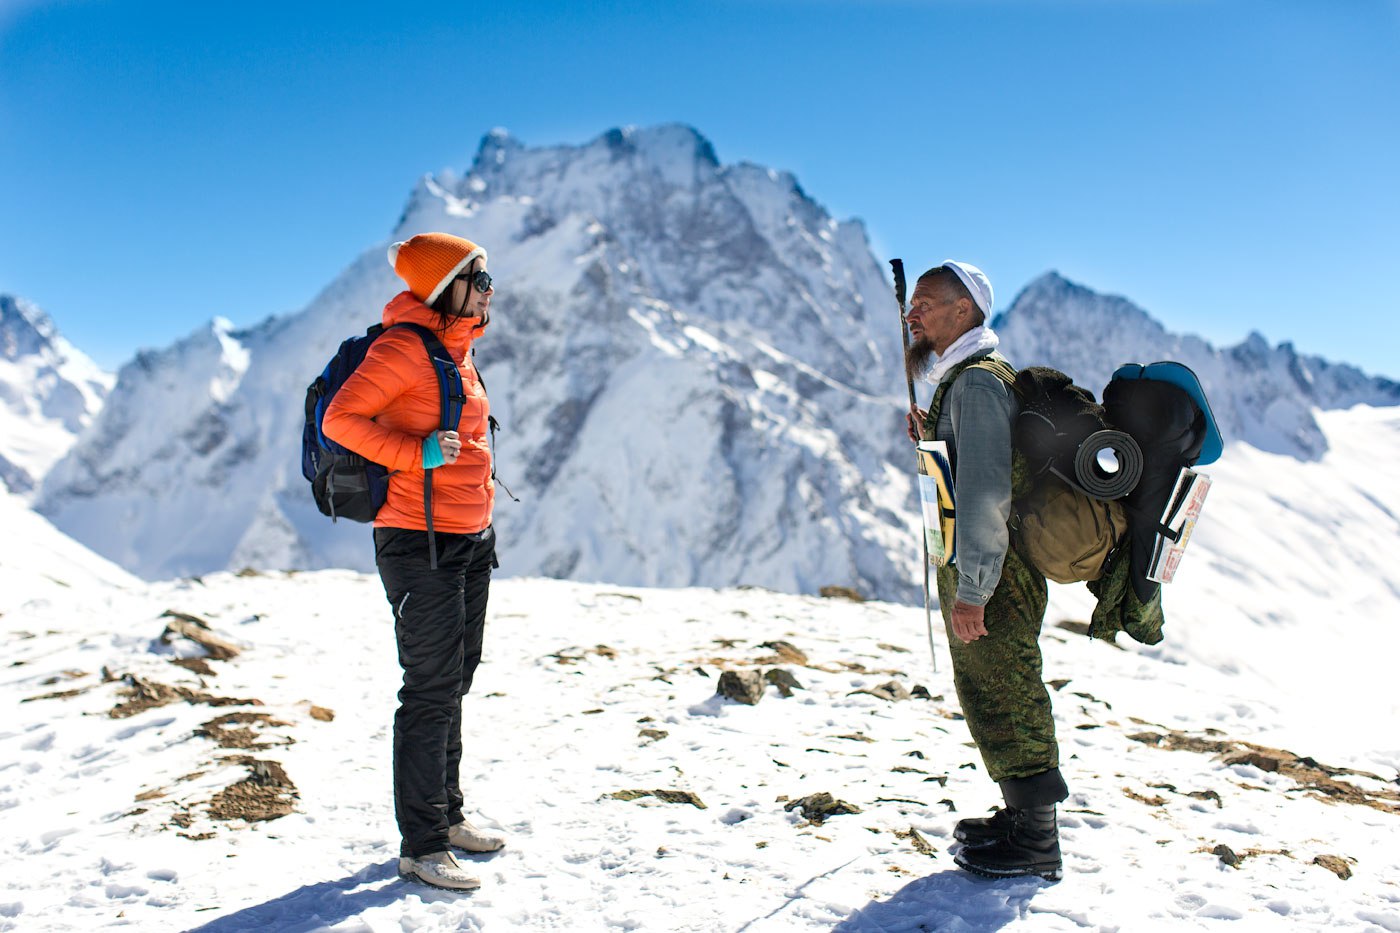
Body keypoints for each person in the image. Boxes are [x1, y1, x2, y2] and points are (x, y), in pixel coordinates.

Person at [323, 232, 505, 891]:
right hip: (416, 539)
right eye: (478, 279)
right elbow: (341, 420)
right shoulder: (402, 349)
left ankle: (448, 816)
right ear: (444, 286)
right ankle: (421, 844)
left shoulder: (457, 352)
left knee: (455, 676)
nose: (489, 290)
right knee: (428, 687)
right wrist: (415, 454)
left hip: (467, 538)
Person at [903, 260, 1068, 881]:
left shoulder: (974, 384)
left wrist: (973, 590)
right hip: (986, 567)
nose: (912, 314)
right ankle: (1019, 818)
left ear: (964, 311)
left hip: (991, 573)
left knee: (1007, 689)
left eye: (925, 302)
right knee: (987, 691)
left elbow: (984, 495)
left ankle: (1036, 840)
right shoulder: (961, 383)